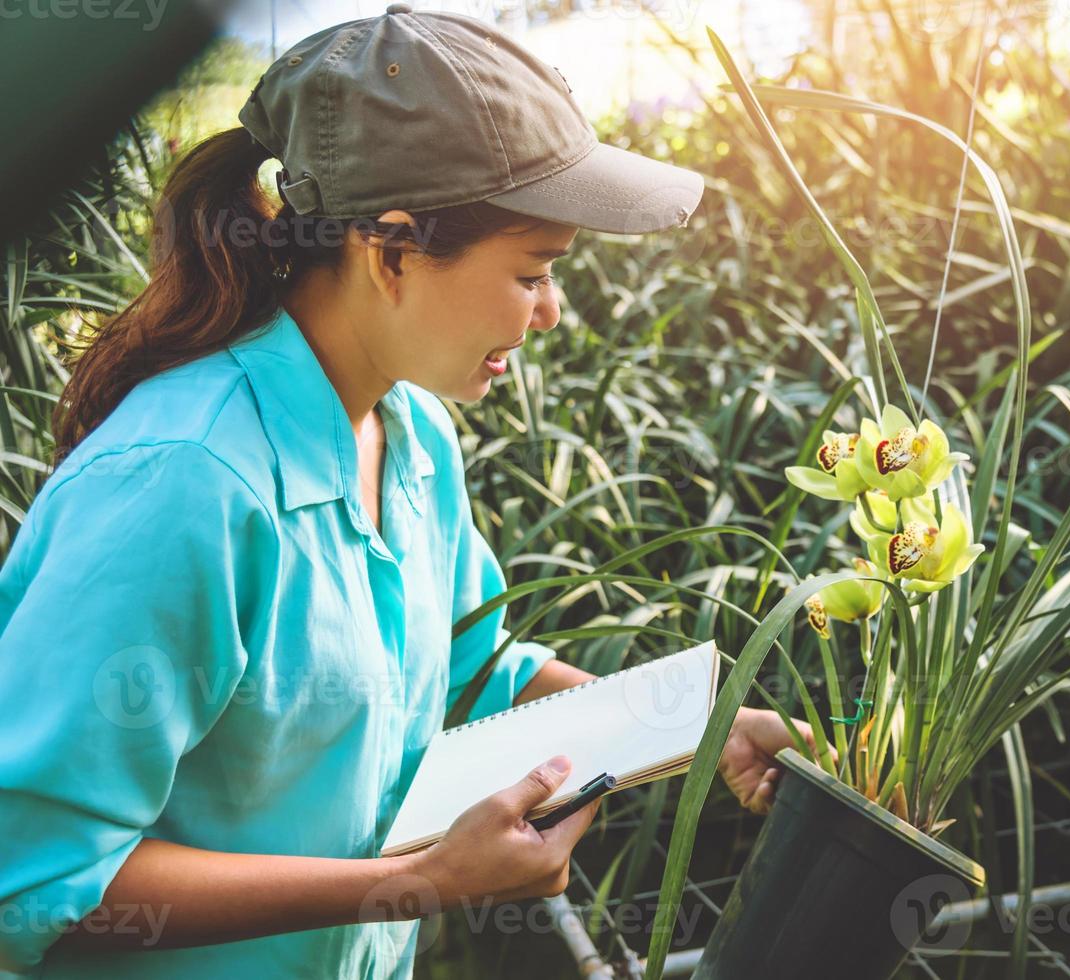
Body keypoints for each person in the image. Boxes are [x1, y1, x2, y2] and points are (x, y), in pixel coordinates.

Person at [0, 7, 813, 976]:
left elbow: (474, 664)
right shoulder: (184, 479)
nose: (552, 311)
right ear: (389, 249)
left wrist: (703, 726)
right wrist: (424, 880)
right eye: (532, 271)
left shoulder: (412, 435)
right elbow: (31, 880)